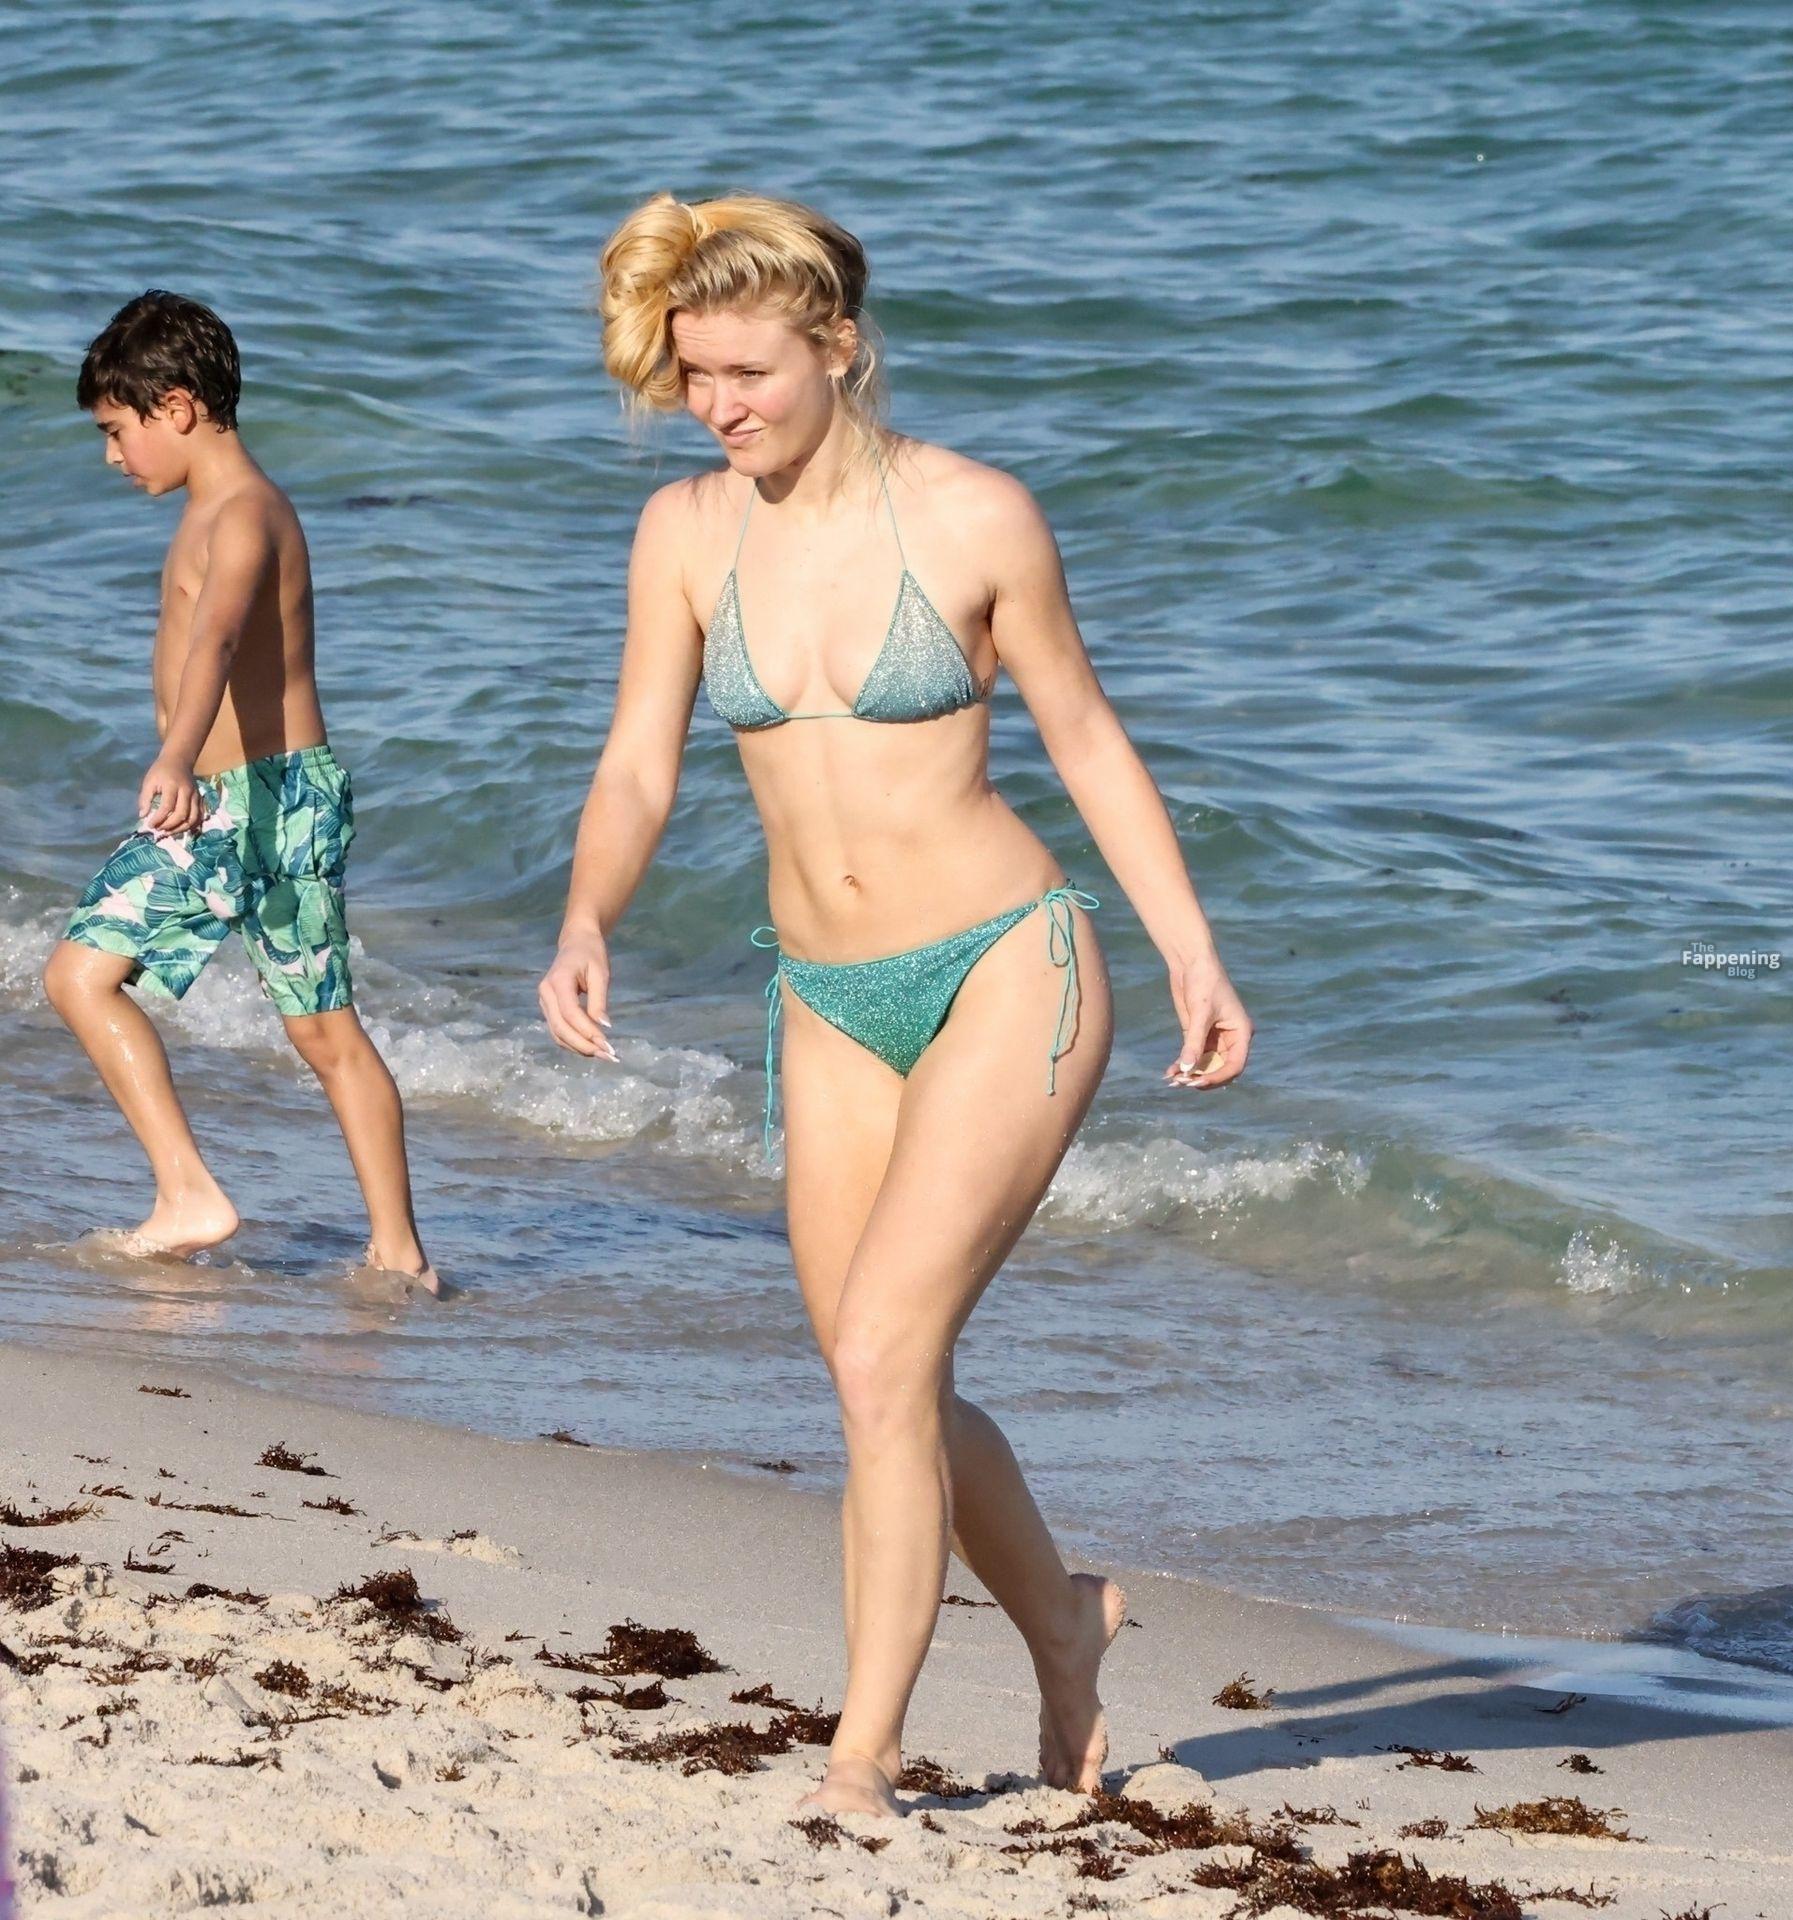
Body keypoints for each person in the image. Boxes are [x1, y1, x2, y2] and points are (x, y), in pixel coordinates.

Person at [539, 192, 1251, 1818]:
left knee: (877, 1350)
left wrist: (1191, 951)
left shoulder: (976, 517)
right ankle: (1064, 1625)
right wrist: (586, 915)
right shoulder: (684, 535)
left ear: (838, 348)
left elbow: (1085, 737)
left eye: (747, 372)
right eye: (692, 373)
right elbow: (640, 760)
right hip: (825, 999)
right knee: (884, 1378)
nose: (715, 405)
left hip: (1007, 962)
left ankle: (858, 1757)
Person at [43, 290, 438, 1296]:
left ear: (175, 407)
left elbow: (215, 642)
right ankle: (398, 1252)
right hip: (276, 797)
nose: (112, 457)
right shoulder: (225, 509)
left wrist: (175, 758)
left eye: (115, 430)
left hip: (239, 800)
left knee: (80, 977)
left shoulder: (245, 516)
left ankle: (191, 1196)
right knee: (322, 1030)